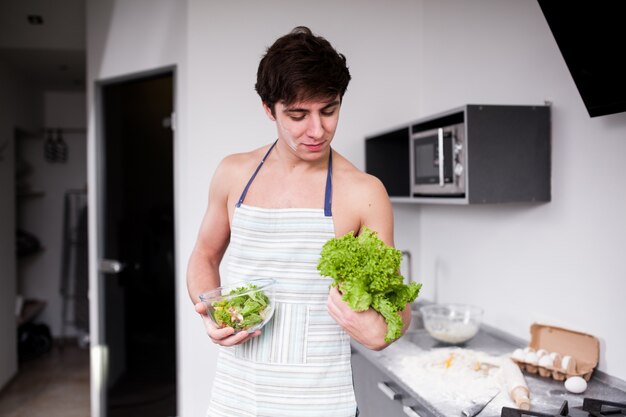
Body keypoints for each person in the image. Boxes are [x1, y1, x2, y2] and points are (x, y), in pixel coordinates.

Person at [187, 26, 412, 417]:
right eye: (297, 114)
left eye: (329, 110)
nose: (317, 130)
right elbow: (204, 256)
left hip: (323, 402)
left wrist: (385, 331)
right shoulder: (233, 173)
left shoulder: (363, 192)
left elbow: (396, 303)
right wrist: (211, 314)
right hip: (235, 399)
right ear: (268, 108)